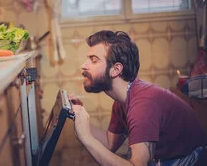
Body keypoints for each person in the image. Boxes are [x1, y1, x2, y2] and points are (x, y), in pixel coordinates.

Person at [70, 30, 207, 166]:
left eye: (93, 60)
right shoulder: (122, 101)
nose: (84, 65)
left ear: (116, 69)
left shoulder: (143, 105)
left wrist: (87, 138)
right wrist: (80, 116)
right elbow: (109, 143)